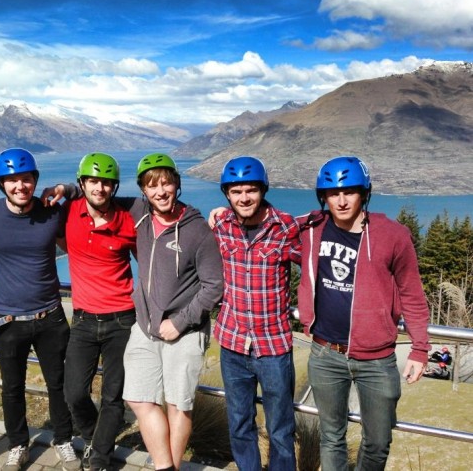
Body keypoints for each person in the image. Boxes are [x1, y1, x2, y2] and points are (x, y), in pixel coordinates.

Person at [297, 156, 430, 470]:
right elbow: (268, 223)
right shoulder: (311, 229)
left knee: (378, 442)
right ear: (323, 197)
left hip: (377, 359)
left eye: (350, 192)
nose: (341, 201)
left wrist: (420, 348)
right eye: (333, 194)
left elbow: (412, 293)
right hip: (325, 352)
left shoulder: (392, 235)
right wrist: (222, 215)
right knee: (331, 437)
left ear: (364, 193)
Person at [0, 148, 79, 471]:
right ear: (1, 183)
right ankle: (18, 444)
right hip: (7, 321)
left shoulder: (52, 212)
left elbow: (86, 199)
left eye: (26, 179)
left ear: (36, 180)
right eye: (12, 180)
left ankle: (63, 440)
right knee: (12, 388)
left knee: (59, 383)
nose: (20, 186)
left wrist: (66, 188)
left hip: (50, 316)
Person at [122, 153, 224, 471]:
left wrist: (179, 322)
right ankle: (166, 467)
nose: (161, 191)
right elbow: (101, 195)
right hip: (145, 326)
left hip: (184, 332)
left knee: (178, 405)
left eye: (166, 183)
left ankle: (169, 467)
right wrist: (66, 191)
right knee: (138, 398)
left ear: (177, 184)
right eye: (153, 186)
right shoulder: (138, 212)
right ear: (143, 191)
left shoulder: (197, 231)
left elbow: (214, 286)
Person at [211, 156, 300, 470]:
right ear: (227, 195)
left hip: (273, 346)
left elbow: (319, 258)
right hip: (232, 342)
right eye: (236, 192)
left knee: (280, 429)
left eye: (250, 190)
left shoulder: (286, 227)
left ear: (263, 190)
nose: (244, 198)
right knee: (239, 423)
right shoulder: (221, 225)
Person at [62, 153, 137, 471]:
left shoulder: (129, 220)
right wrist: (61, 189)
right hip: (83, 319)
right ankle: (97, 437)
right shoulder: (68, 211)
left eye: (106, 182)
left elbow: (149, 262)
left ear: (114, 186)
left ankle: (100, 457)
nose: (100, 188)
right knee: (74, 393)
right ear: (82, 184)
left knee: (113, 396)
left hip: (122, 319)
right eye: (93, 181)